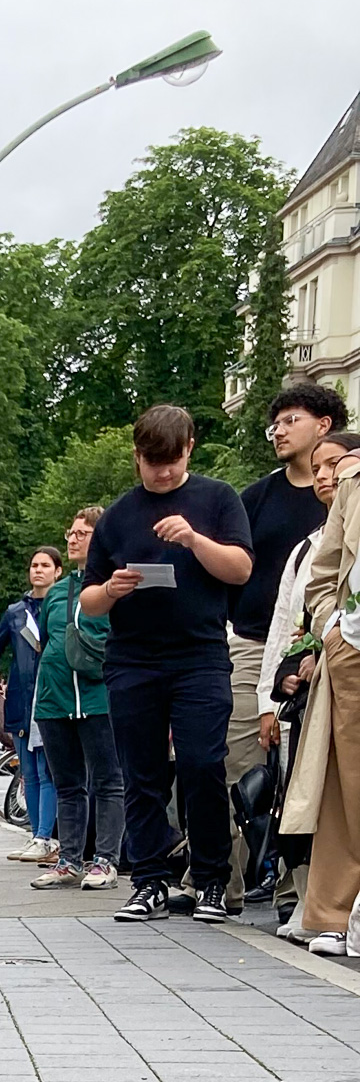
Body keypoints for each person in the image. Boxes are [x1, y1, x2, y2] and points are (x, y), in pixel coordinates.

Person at [80, 405, 253, 924]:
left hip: (199, 655)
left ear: (189, 449)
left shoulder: (217, 498)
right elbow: (88, 600)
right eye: (153, 463)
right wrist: (111, 590)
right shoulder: (118, 514)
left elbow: (241, 569)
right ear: (136, 458)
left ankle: (210, 880)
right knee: (143, 772)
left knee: (202, 764)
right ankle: (149, 880)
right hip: (133, 658)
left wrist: (196, 539)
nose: (163, 473)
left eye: (172, 462)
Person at [227, 385, 345, 910]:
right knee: (239, 766)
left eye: (290, 419)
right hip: (257, 646)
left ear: (325, 425)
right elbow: (268, 605)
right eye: (273, 422)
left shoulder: (344, 512)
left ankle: (294, 886)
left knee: (310, 773)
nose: (277, 429)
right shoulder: (256, 498)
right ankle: (221, 880)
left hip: (329, 653)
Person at [278, 435, 360, 952]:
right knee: (350, 783)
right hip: (354, 647)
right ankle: (336, 909)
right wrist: (335, 626)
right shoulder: (354, 479)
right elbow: (323, 569)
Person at [29, 508, 125, 891]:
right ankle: (68, 859)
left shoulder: (116, 584)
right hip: (54, 699)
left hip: (99, 697)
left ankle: (105, 860)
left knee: (107, 780)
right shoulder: (57, 591)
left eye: (82, 533)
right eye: (70, 532)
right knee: (67, 783)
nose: (72, 538)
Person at [0, 547, 65, 864]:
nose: (39, 570)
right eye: (34, 565)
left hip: (52, 695)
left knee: (48, 771)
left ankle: (46, 837)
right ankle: (37, 837)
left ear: (58, 571)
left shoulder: (62, 605)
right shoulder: (15, 612)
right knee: (28, 773)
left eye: (46, 565)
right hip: (20, 697)